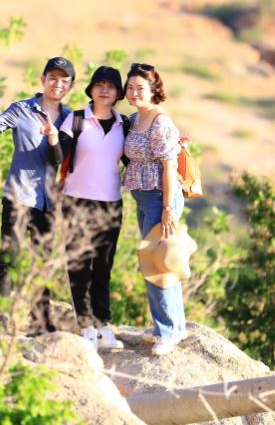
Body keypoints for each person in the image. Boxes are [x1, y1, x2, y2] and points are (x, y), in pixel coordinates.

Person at [0, 56, 75, 335]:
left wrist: (54, 137)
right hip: (18, 195)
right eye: (52, 78)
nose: (57, 84)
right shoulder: (22, 109)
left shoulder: (70, 119)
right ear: (43, 80)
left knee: (43, 262)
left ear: (71, 86)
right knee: (9, 258)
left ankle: (40, 322)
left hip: (49, 201)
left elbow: (61, 159)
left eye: (64, 81)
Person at [46, 66, 128, 351]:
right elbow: (58, 157)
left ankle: (104, 326)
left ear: (118, 93)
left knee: (104, 267)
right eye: (99, 84)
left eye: (111, 86)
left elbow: (135, 161)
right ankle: (86, 328)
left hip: (111, 204)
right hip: (76, 201)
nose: (104, 90)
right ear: (91, 89)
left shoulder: (125, 124)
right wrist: (53, 139)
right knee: (79, 266)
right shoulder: (76, 119)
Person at [122, 63, 188, 356]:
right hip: (144, 198)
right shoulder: (136, 118)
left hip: (161, 198)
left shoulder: (159, 121)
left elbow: (169, 166)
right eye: (130, 88)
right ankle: (176, 326)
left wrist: (167, 209)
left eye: (140, 88)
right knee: (161, 261)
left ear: (153, 90)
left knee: (155, 264)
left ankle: (166, 332)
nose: (134, 93)